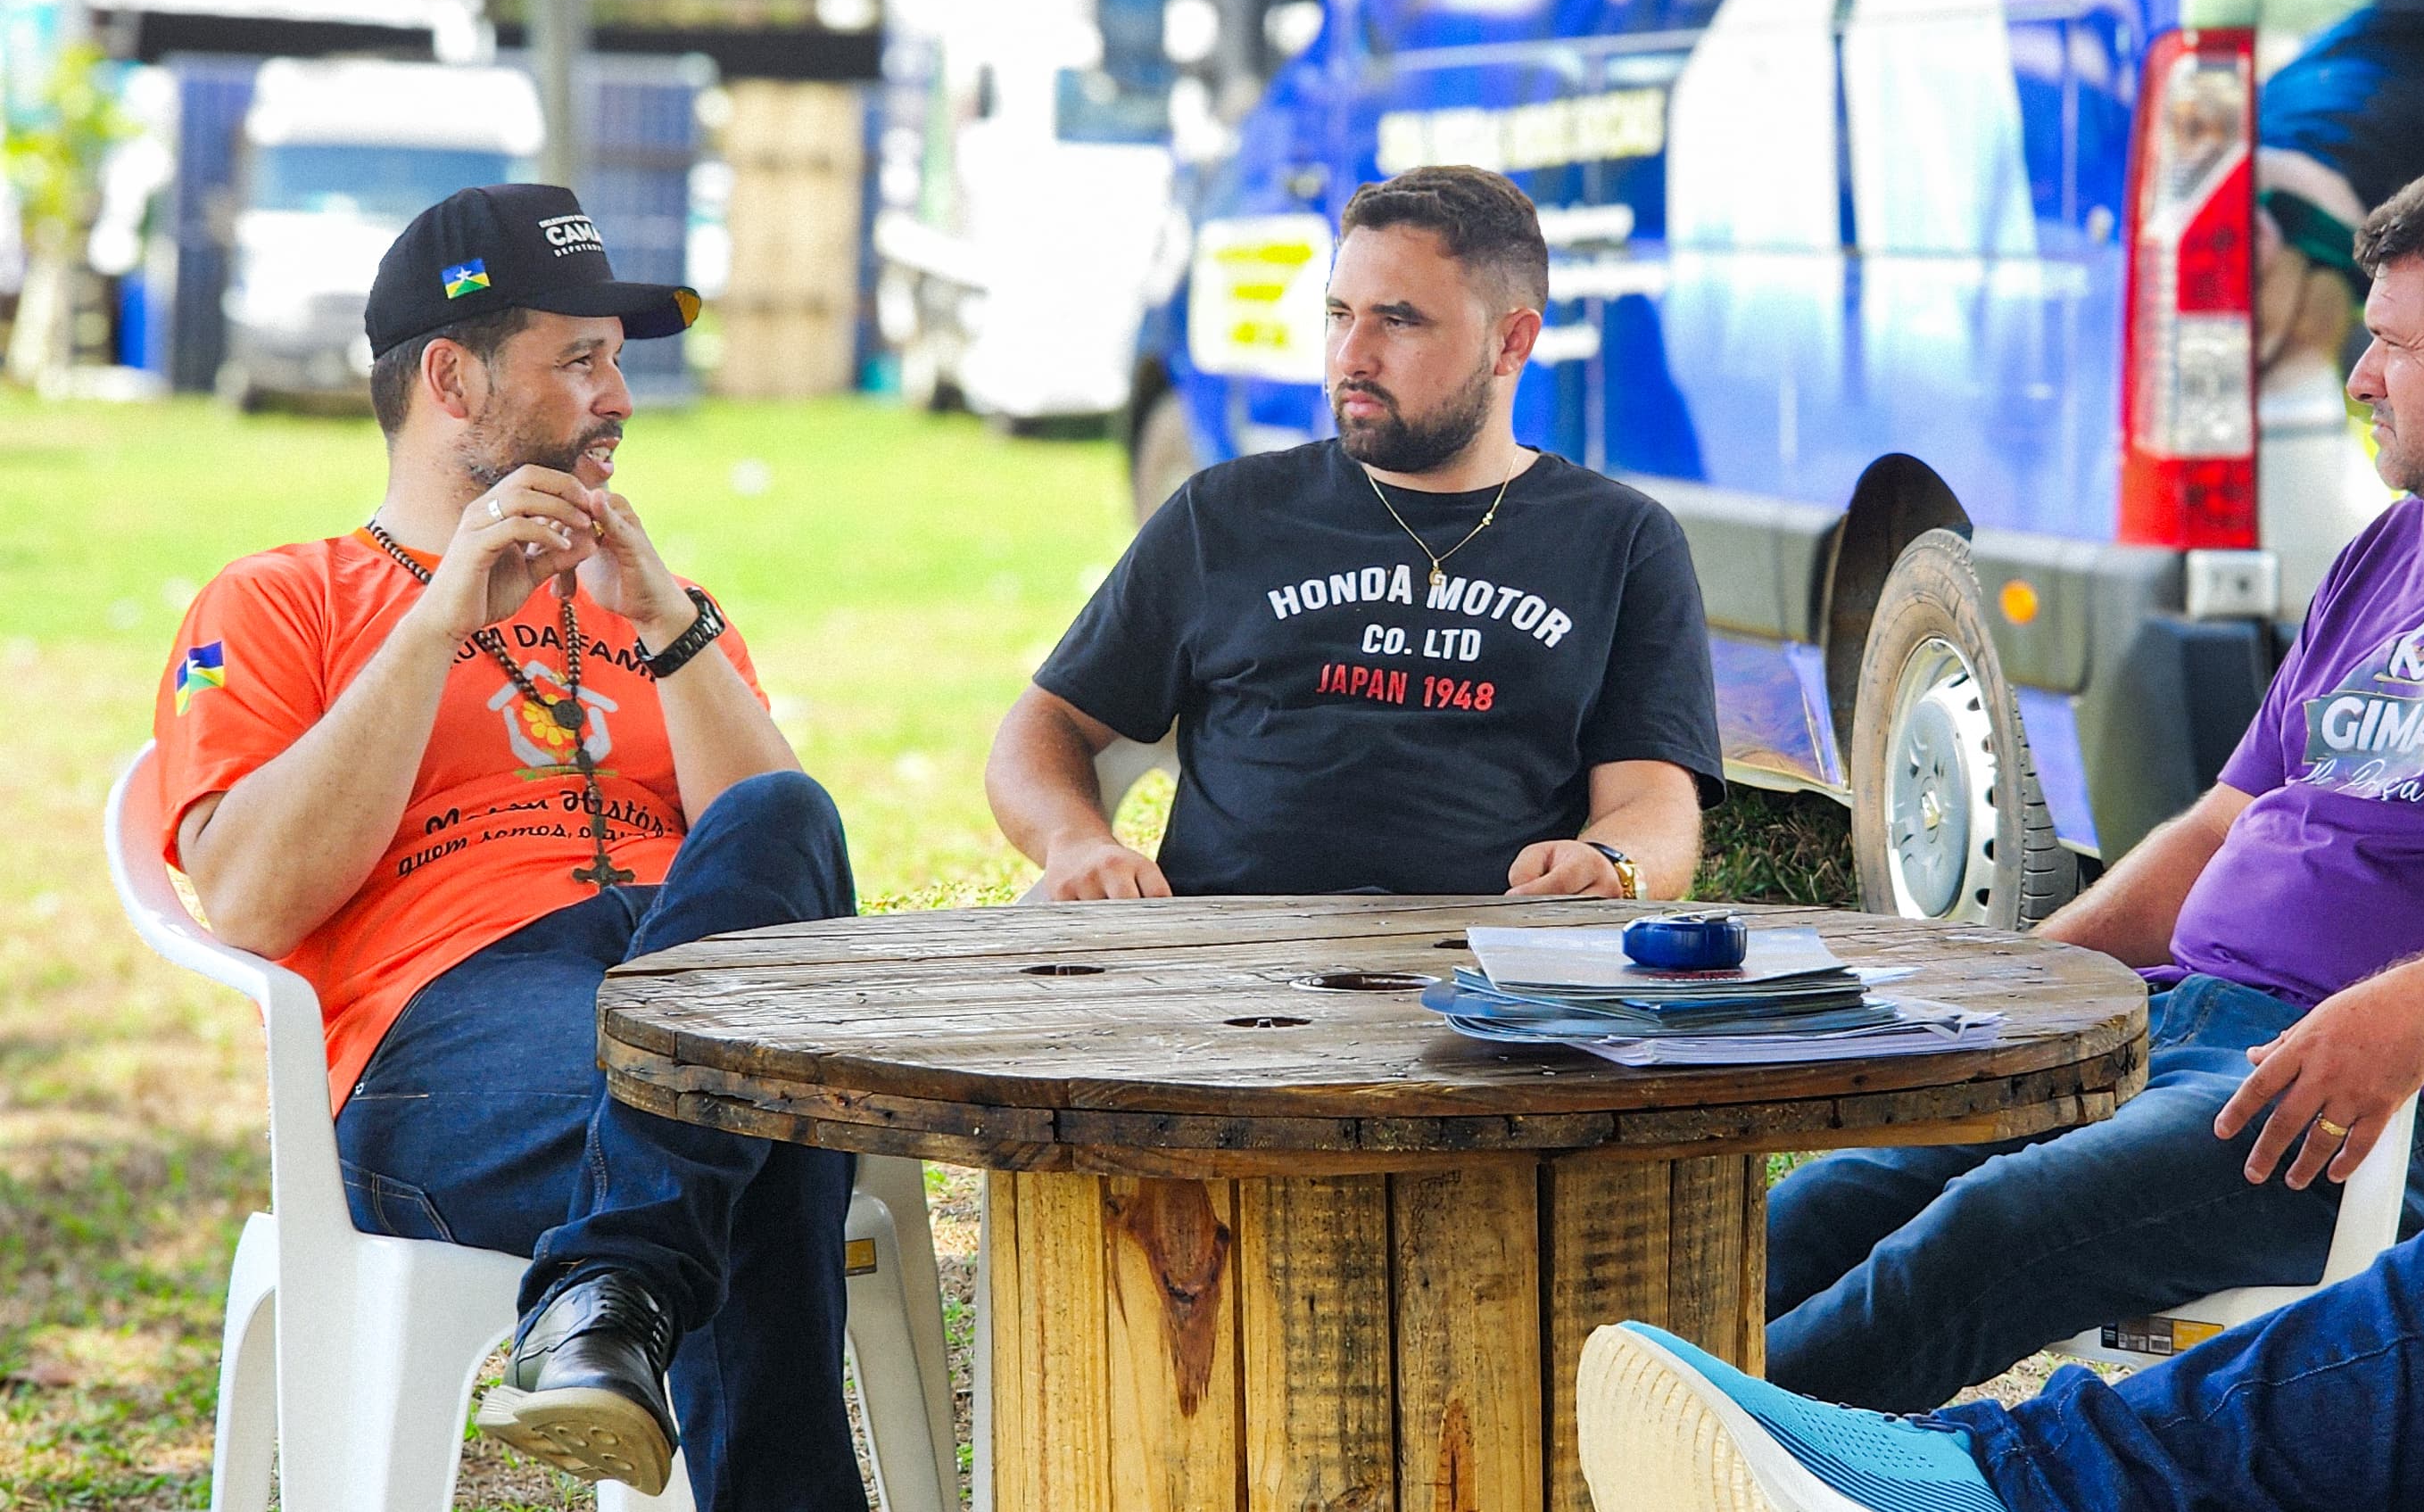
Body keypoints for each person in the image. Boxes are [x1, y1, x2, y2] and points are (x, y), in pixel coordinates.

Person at [1760, 160, 2424, 1410]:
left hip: (2380, 1107)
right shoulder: (2393, 544)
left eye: (2389, 344)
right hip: (2177, 1024)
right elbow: (2224, 823)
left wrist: (2403, 1014)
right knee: (1821, 1203)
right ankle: (1563, 1443)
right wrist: (2019, 980)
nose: (2356, 374)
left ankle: (1673, 1474)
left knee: (1981, 1235)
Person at [154, 184, 865, 1506]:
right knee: (753, 1124)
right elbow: (246, 896)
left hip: (678, 979)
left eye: (620, 361)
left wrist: (665, 621)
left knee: (782, 825)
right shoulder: (281, 597)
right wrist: (431, 627)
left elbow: (787, 874)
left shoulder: (665, 609)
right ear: (451, 376)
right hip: (448, 1036)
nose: (622, 398)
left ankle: (608, 1292)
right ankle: (627, 1276)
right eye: (580, 360)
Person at [1581, 1088, 2424, 1512]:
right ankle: (1954, 1472)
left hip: (2382, 1088)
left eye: (2382, 390)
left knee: (1989, 1225)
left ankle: (1971, 1483)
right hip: (2209, 1008)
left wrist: (2415, 1002)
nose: (2360, 403)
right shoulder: (2378, 564)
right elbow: (2230, 811)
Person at [986, 164, 1725, 900]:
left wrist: (1613, 866)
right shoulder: (1229, 514)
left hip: (1485, 973)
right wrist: (1075, 840)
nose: (1351, 356)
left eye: (1398, 321)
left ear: (1511, 344)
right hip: (1223, 964)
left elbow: (1653, 801)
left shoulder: (1620, 542)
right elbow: (1046, 725)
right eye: (1340, 314)